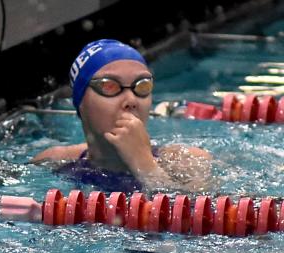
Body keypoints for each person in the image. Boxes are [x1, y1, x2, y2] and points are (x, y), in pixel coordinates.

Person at [31, 39, 211, 192]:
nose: (131, 100)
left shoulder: (187, 161)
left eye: (142, 86)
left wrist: (144, 164)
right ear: (80, 102)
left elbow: (199, 219)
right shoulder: (54, 162)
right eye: (110, 86)